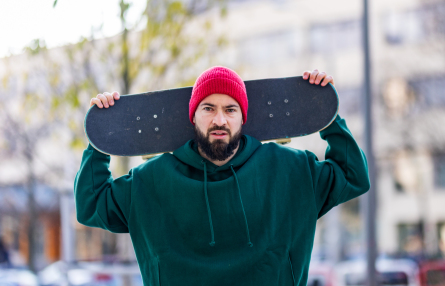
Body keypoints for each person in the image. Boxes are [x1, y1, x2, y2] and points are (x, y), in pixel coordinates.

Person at [75, 66, 370, 285]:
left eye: (230, 109)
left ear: (243, 117)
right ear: (193, 116)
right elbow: (91, 204)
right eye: (208, 108)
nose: (219, 120)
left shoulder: (290, 170)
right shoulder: (150, 181)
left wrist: (326, 114)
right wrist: (102, 137)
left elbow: (353, 174)